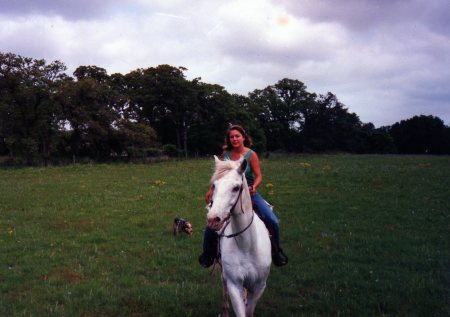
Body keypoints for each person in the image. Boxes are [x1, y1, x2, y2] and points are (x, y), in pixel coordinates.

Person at [199, 125, 288, 267]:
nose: (234, 139)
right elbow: (220, 176)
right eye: (231, 137)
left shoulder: (251, 154)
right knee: (212, 221)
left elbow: (259, 176)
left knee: (273, 220)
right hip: (228, 191)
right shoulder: (226, 153)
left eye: (237, 136)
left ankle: (276, 252)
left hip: (248, 191)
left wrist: (255, 187)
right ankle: (208, 254)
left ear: (243, 137)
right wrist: (211, 189)